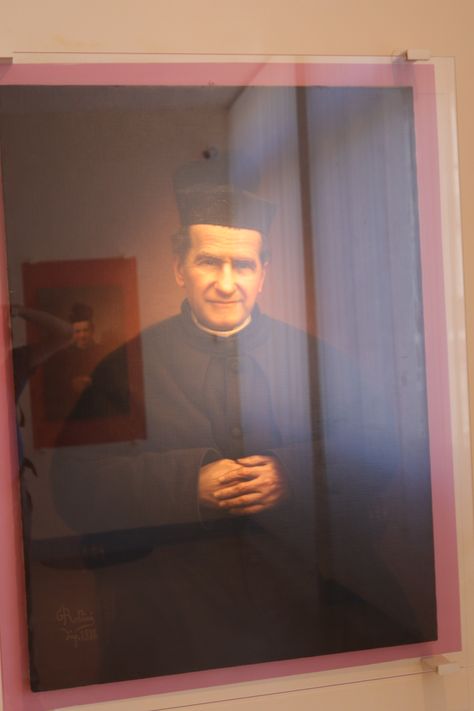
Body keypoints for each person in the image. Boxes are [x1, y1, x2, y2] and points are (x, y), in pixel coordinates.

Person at [49, 157, 435, 687]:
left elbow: (380, 449)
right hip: (177, 617)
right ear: (179, 267)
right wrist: (188, 483)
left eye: (244, 265)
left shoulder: (316, 358)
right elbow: (73, 485)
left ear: (263, 273)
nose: (226, 284)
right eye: (209, 261)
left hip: (307, 610)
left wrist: (291, 473)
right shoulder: (124, 366)